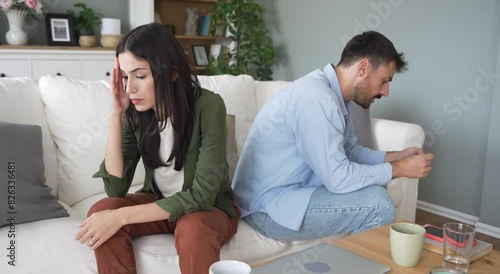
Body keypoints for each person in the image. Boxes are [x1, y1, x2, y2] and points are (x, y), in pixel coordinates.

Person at [231, 31, 434, 241]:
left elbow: (349, 151)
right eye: (384, 80)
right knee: (377, 204)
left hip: (287, 195)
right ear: (363, 68)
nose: (386, 91)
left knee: (374, 186)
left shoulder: (334, 97)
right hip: (266, 208)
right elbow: (338, 179)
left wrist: (394, 157)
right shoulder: (318, 100)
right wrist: (399, 170)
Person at [75, 23, 240, 274]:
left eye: (140, 76)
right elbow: (116, 188)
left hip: (209, 211)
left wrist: (122, 217)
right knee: (102, 211)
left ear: (172, 72)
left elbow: (202, 197)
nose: (130, 88)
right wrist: (115, 115)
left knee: (191, 225)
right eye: (125, 77)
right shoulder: (135, 112)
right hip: (160, 202)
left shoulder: (208, 105)